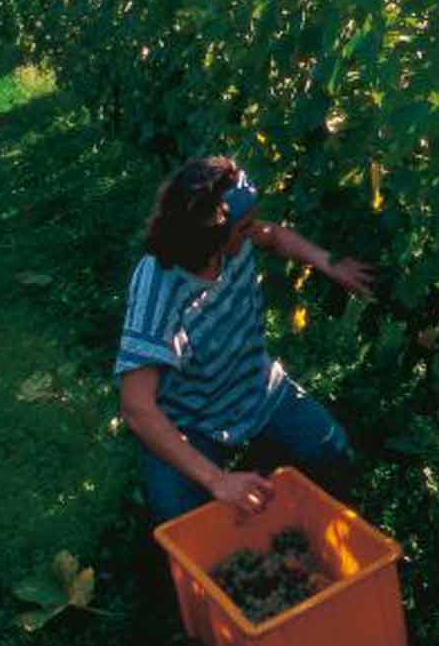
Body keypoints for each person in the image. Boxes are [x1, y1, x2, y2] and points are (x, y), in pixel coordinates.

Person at [115, 157, 374, 522]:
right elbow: (137, 408)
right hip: (191, 418)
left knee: (331, 453)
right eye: (245, 226)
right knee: (179, 517)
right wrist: (216, 480)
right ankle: (216, 468)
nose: (255, 230)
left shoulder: (234, 238)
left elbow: (272, 235)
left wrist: (327, 262)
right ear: (214, 236)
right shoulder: (158, 289)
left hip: (256, 388)